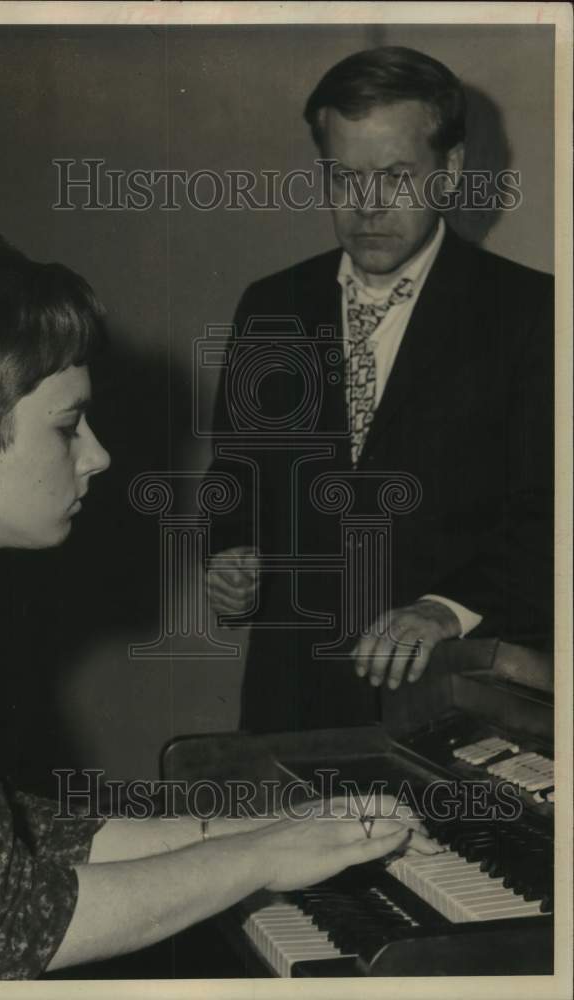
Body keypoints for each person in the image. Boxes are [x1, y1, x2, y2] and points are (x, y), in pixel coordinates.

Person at [0, 228, 437, 982]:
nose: (97, 455)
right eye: (68, 427)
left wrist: (239, 827)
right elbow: (11, 926)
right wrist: (264, 855)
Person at [206, 46, 553, 732]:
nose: (366, 206)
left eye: (395, 176)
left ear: (448, 171)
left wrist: (442, 609)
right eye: (344, 177)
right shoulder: (270, 305)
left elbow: (552, 515)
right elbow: (236, 474)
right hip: (292, 700)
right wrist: (231, 552)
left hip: (456, 694)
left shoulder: (532, 314)